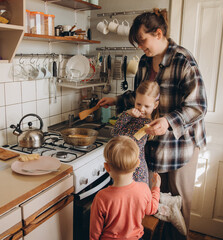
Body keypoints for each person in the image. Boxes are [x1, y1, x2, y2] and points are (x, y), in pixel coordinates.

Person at [97, 8, 207, 239]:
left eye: (142, 40)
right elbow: (140, 98)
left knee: (177, 206)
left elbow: (198, 106)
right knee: (154, 204)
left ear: (158, 33)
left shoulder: (183, 60)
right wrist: (117, 100)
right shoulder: (145, 62)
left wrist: (167, 121)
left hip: (179, 147)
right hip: (152, 146)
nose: (139, 46)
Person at [89, 136, 161, 240]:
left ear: (107, 167)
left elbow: (94, 232)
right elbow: (152, 210)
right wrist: (156, 188)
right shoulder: (144, 189)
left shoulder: (101, 197)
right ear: (137, 164)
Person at [111, 81, 160, 184]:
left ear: (155, 105)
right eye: (138, 104)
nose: (141, 109)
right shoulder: (131, 117)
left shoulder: (148, 125)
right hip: (122, 167)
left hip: (136, 171)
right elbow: (114, 132)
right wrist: (128, 113)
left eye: (146, 106)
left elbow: (129, 142)